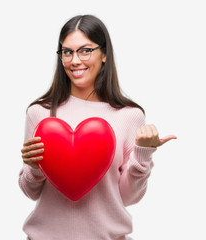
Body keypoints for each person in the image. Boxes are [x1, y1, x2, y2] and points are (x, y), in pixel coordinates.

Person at [19, 14, 176, 240]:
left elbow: (128, 197)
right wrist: (33, 168)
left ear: (104, 54)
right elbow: (30, 192)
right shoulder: (40, 113)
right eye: (67, 51)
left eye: (85, 50)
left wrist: (142, 154)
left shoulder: (129, 116)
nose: (74, 61)